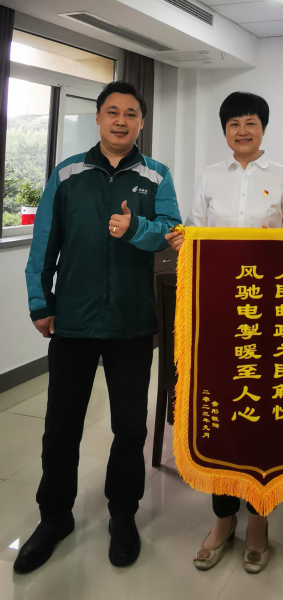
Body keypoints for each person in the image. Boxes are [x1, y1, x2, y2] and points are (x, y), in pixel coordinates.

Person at [15, 81, 181, 574]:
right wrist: (40, 302)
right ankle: (54, 517)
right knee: (60, 427)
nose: (121, 120)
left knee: (129, 427)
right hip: (74, 321)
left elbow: (171, 234)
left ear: (141, 122)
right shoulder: (68, 173)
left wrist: (135, 229)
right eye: (112, 111)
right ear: (98, 118)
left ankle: (123, 515)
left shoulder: (156, 175)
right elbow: (45, 242)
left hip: (132, 322)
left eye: (131, 113)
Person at [165, 91, 283, 573]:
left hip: (268, 318)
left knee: (261, 418)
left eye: (250, 123)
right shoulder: (209, 177)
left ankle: (259, 521)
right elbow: (195, 237)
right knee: (221, 415)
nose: (242, 131)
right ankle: (222, 520)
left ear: (263, 128)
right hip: (220, 313)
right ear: (224, 131)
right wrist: (182, 239)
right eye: (233, 124)